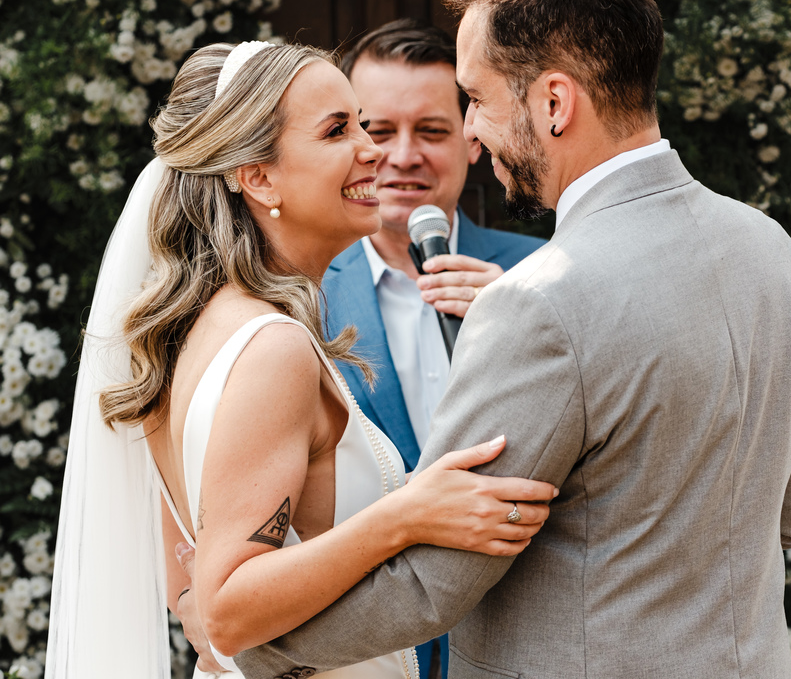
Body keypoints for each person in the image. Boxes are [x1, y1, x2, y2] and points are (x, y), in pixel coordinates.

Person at [237, 0, 791, 679]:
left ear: (553, 102)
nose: (472, 129)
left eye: (475, 98)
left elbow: (430, 585)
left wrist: (249, 645)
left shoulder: (542, 301)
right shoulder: (771, 249)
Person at [46, 40, 557, 679]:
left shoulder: (195, 328)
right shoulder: (271, 345)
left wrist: (195, 609)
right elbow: (228, 606)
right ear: (259, 176)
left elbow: (188, 550)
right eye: (339, 130)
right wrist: (406, 513)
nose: (374, 151)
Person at [328, 21, 546, 679]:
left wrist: (527, 318)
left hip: (519, 635)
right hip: (364, 639)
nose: (402, 155)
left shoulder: (545, 276)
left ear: (471, 140)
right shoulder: (298, 297)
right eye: (377, 130)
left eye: (430, 131)